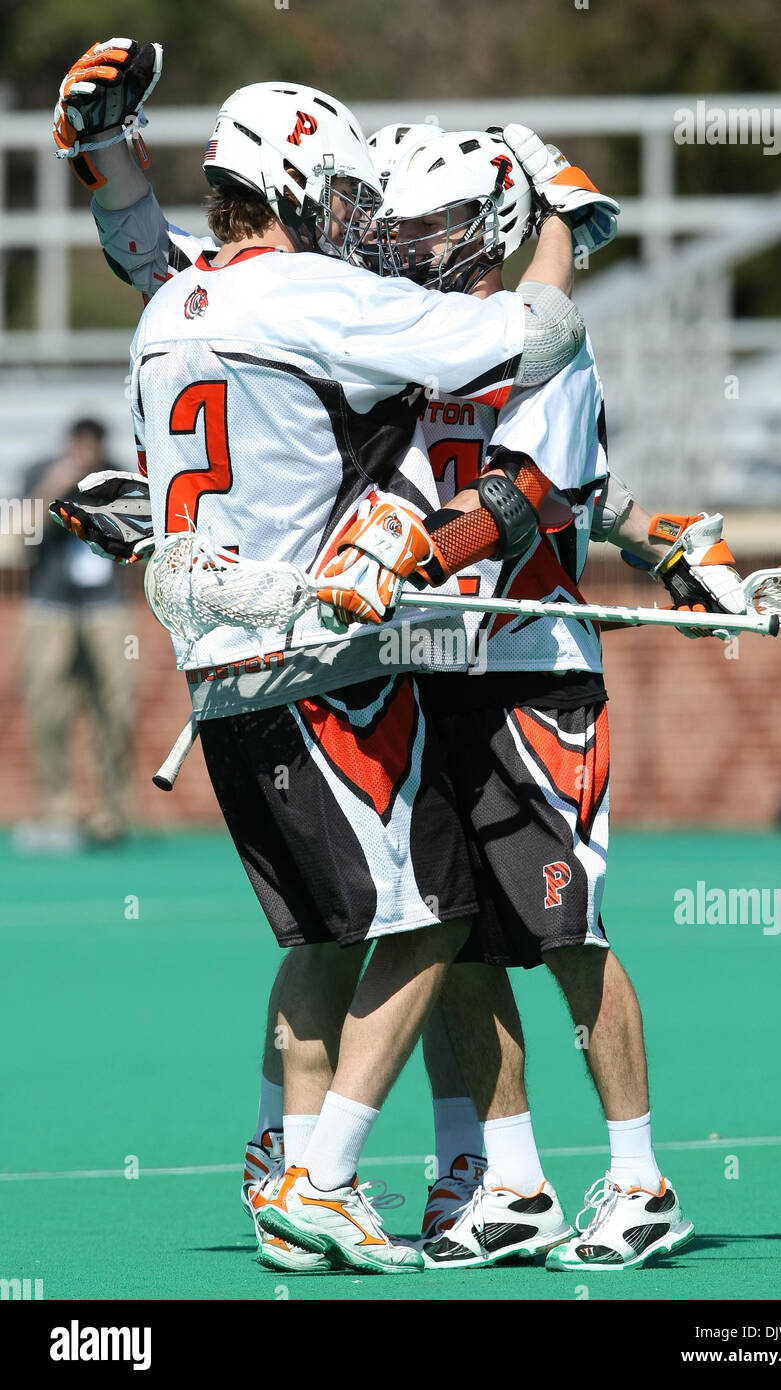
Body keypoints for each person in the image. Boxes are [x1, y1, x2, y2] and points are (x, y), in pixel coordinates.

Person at [51, 40, 585, 1274]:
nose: (354, 222)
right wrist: (558, 216)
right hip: (318, 667)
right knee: (433, 914)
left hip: (216, 674)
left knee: (320, 937)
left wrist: (101, 157)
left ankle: (282, 1174)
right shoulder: (312, 298)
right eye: (337, 195)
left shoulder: (170, 308)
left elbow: (149, 252)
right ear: (293, 187)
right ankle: (320, 1175)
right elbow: (534, 337)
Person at [17, 418, 136, 850]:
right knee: (47, 707)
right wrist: (53, 487)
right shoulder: (37, 472)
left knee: (116, 709)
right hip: (50, 609)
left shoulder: (117, 479)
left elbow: (136, 543)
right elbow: (18, 539)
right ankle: (58, 812)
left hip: (108, 610)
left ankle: (111, 815)